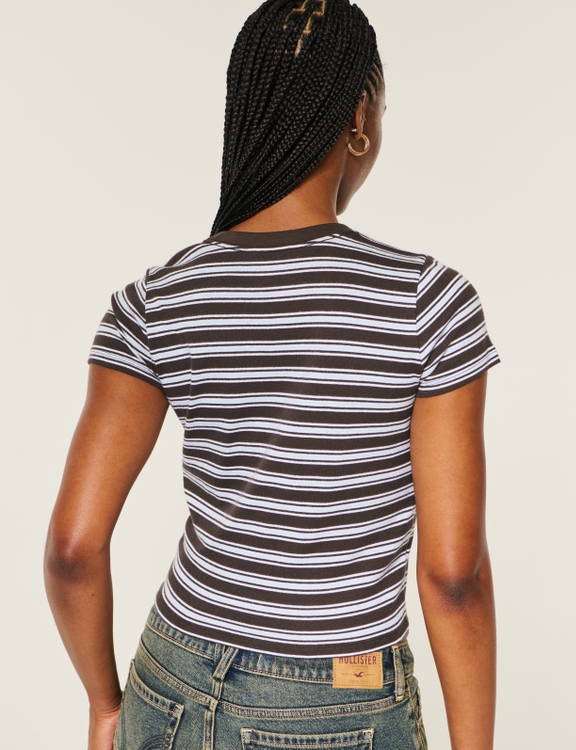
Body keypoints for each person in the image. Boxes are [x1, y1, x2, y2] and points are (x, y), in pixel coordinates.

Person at [44, 1, 499, 748]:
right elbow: (454, 578)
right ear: (359, 117)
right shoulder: (426, 301)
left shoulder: (154, 300)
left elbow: (72, 549)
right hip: (342, 698)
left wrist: (103, 703)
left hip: (170, 674)